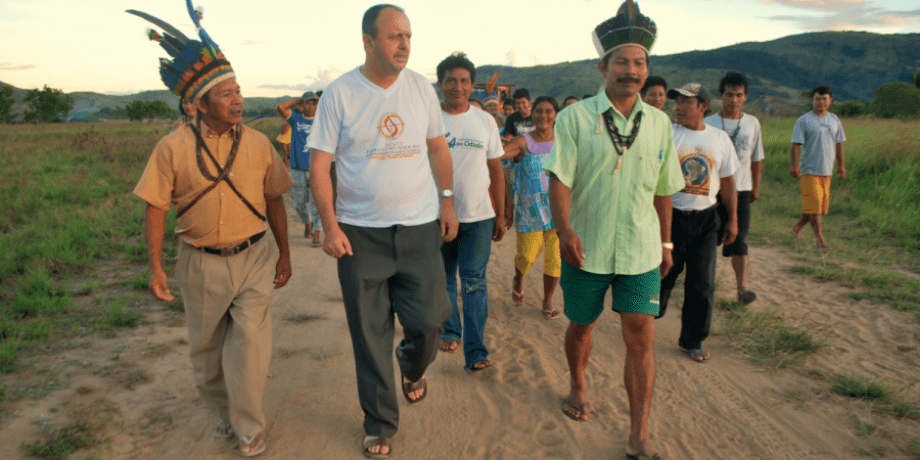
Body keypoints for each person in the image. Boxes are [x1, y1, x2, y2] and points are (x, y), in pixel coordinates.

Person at [128, 3, 292, 457]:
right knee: (206, 352)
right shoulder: (171, 148)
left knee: (251, 346)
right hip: (199, 262)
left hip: (254, 257)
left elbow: (275, 198)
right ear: (199, 103)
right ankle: (223, 410)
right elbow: (156, 209)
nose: (237, 99)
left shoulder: (259, 144)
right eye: (225, 94)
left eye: (238, 90)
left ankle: (248, 425)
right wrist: (157, 268)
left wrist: (286, 254)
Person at [306, 5, 457, 458]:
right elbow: (320, 165)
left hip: (418, 229)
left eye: (408, 36)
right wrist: (329, 226)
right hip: (360, 233)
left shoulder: (421, 90)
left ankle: (412, 366)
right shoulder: (341, 94)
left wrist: (447, 199)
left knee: (430, 320)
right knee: (369, 334)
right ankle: (379, 423)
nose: (404, 44)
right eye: (394, 37)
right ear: (368, 42)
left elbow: (436, 148)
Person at [544, 3, 684, 459]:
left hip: (640, 249)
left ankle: (638, 435)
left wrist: (665, 241)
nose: (631, 70)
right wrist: (564, 230)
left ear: (648, 69)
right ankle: (578, 384)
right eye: (621, 61)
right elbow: (560, 178)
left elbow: (664, 190)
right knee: (581, 326)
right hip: (586, 246)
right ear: (603, 66)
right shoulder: (575, 119)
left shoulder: (661, 124)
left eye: (640, 62)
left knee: (641, 334)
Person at [657, 82, 740, 364]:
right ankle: (644, 320)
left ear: (703, 106)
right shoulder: (667, 135)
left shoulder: (720, 139)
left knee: (702, 283)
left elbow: (728, 181)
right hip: (672, 215)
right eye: (677, 101)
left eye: (686, 102)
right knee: (663, 274)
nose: (678, 107)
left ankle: (693, 339)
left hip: (706, 219)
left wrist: (733, 221)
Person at [434, 52, 506, 372]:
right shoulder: (429, 120)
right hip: (436, 216)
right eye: (451, 80)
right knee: (445, 277)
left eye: (464, 81)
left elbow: (496, 169)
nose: (458, 86)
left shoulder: (485, 121)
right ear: (440, 84)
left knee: (474, 281)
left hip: (478, 216)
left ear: (472, 85)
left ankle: (475, 350)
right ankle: (450, 330)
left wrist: (501, 213)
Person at [705, 71, 764, 304]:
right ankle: (706, 285)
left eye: (739, 95)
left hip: (741, 190)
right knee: (709, 240)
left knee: (739, 241)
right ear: (720, 95)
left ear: (746, 97)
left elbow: (757, 158)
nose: (734, 100)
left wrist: (755, 187)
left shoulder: (752, 123)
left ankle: (741, 290)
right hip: (712, 192)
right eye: (729, 94)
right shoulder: (708, 123)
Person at [501, 96, 562, 320]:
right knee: (527, 256)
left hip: (558, 208)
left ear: (556, 114)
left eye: (548, 111)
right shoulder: (523, 142)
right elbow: (498, 155)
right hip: (530, 210)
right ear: (532, 113)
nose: (543, 116)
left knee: (554, 258)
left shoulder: (564, 140)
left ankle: (547, 300)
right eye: (538, 111)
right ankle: (519, 276)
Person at [791, 84, 846, 250]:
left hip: (827, 171)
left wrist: (841, 166)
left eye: (824, 99)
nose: (820, 102)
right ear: (812, 100)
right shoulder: (804, 120)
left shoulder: (834, 120)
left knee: (815, 207)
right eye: (817, 99)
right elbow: (795, 144)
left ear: (830, 100)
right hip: (809, 170)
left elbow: (839, 144)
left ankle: (796, 228)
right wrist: (794, 164)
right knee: (815, 207)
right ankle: (820, 241)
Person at [277, 91, 323, 245]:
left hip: (316, 169)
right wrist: (299, 99)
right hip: (297, 169)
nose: (311, 106)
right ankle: (307, 222)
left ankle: (317, 232)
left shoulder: (322, 121)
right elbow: (281, 107)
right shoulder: (295, 119)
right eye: (308, 103)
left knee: (317, 202)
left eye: (314, 103)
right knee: (299, 204)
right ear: (302, 105)